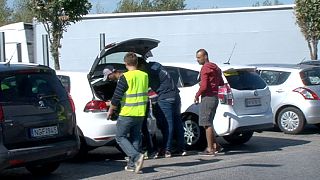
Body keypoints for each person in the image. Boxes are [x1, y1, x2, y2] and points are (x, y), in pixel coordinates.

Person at [107, 52, 149, 173]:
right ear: (136, 62)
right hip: (140, 112)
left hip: (127, 112)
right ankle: (132, 165)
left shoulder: (125, 77)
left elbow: (117, 96)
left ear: (125, 64)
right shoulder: (144, 76)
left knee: (120, 137)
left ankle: (137, 157)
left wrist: (111, 110)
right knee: (135, 138)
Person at [138, 58, 186, 158]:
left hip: (165, 97)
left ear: (141, 66)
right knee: (177, 122)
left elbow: (145, 87)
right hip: (175, 95)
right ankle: (181, 148)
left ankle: (167, 150)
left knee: (168, 124)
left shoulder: (147, 72)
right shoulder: (155, 64)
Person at [194, 49, 224, 156]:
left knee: (206, 124)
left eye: (199, 57)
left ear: (205, 56)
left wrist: (197, 95)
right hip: (215, 97)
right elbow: (221, 82)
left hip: (207, 97)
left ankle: (210, 149)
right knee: (208, 122)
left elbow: (204, 86)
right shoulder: (216, 68)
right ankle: (216, 146)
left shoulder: (205, 68)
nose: (197, 59)